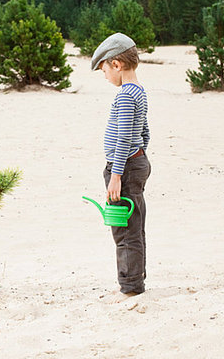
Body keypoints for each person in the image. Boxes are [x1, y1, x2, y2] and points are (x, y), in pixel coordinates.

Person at [91, 32, 152, 298]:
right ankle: (135, 281)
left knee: (124, 230)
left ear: (117, 64)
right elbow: (145, 132)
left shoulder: (126, 95)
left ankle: (130, 287)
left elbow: (126, 135)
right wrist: (140, 157)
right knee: (135, 226)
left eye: (104, 69)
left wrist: (117, 175)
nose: (105, 76)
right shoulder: (139, 91)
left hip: (124, 167)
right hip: (135, 162)